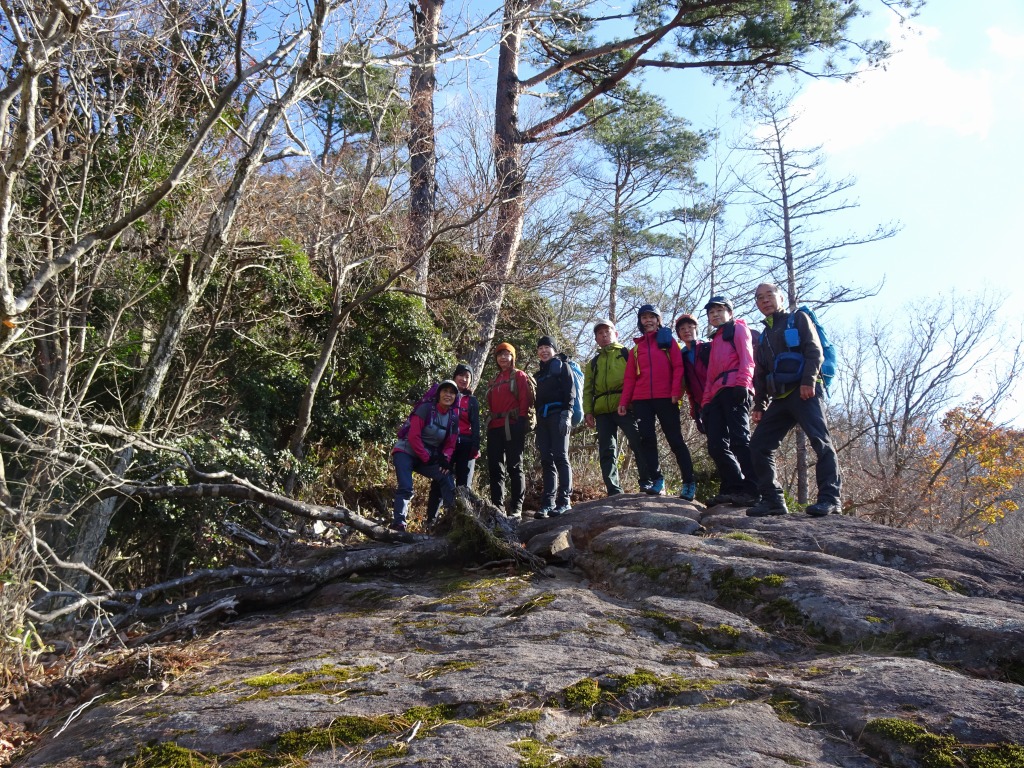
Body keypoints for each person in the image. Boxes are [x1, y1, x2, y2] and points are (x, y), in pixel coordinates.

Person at [748, 282, 842, 517]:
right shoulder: (764, 335)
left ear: (780, 297)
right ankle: (773, 501)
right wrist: (759, 404)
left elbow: (814, 351)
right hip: (780, 397)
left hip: (804, 391)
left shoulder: (797, 318)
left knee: (820, 442)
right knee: (759, 445)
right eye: (759, 298)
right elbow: (760, 373)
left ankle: (830, 499)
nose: (765, 300)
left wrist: (808, 381)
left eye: (769, 295)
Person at [618, 304, 698, 500]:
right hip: (641, 400)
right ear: (640, 321)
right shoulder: (636, 349)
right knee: (647, 440)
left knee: (675, 440)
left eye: (651, 317)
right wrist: (624, 401)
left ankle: (689, 482)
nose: (648, 320)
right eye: (644, 317)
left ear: (658, 320)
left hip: (666, 397)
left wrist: (675, 392)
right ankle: (657, 480)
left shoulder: (668, 342)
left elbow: (678, 368)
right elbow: (629, 378)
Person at [701, 297, 759, 507]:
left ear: (730, 313)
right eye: (711, 312)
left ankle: (754, 489)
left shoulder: (739, 329)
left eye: (719, 310)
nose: (715, 315)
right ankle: (733, 487)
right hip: (717, 393)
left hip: (736, 388)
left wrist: (743, 384)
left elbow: (747, 358)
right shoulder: (715, 339)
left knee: (740, 439)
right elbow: (710, 375)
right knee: (716, 444)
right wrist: (705, 403)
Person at [583, 318, 651, 495]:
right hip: (602, 411)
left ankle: (647, 481)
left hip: (625, 405)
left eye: (607, 332)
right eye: (600, 333)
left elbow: (638, 379)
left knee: (638, 442)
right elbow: (588, 389)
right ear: (596, 339)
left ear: (616, 333)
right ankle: (613, 489)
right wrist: (588, 411)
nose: (604, 335)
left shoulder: (627, 353)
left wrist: (635, 403)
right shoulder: (593, 363)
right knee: (606, 450)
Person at [391, 380, 460, 532]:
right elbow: (413, 436)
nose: (448, 395)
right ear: (438, 393)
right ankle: (399, 524)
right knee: (406, 487)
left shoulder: (453, 418)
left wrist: (445, 459)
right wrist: (427, 457)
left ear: (455, 397)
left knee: (446, 476)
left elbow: (450, 444)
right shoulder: (425, 408)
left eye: (452, 392)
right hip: (405, 451)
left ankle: (453, 520)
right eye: (445, 391)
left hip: (426, 457)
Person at [485, 342, 535, 520]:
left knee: (515, 466)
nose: (503, 357)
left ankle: (516, 508)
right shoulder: (494, 380)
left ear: (513, 357)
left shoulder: (519, 375)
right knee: (495, 468)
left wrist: (521, 421)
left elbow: (525, 399)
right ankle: (498, 508)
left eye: (507, 354)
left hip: (513, 424)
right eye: (500, 355)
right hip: (494, 427)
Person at [426, 363, 479, 523]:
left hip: (466, 445)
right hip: (446, 445)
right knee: (440, 482)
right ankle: (431, 521)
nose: (464, 379)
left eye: (467, 377)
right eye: (461, 375)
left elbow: (476, 425)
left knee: (464, 486)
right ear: (454, 377)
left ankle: (462, 522)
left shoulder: (472, 400)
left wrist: (475, 446)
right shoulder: (446, 395)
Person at [533, 336, 574, 518]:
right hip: (542, 419)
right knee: (546, 460)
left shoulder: (562, 366)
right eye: (540, 348)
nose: (543, 351)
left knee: (560, 456)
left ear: (554, 350)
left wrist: (567, 414)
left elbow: (570, 391)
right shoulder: (539, 375)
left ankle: (564, 500)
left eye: (547, 347)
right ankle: (547, 504)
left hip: (559, 415)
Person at [676, 313, 709, 436]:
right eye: (682, 328)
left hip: (718, 400)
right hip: (702, 405)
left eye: (690, 327)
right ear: (679, 334)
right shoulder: (681, 356)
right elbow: (688, 385)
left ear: (696, 329)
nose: (686, 331)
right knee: (714, 442)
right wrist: (694, 407)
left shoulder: (708, 347)